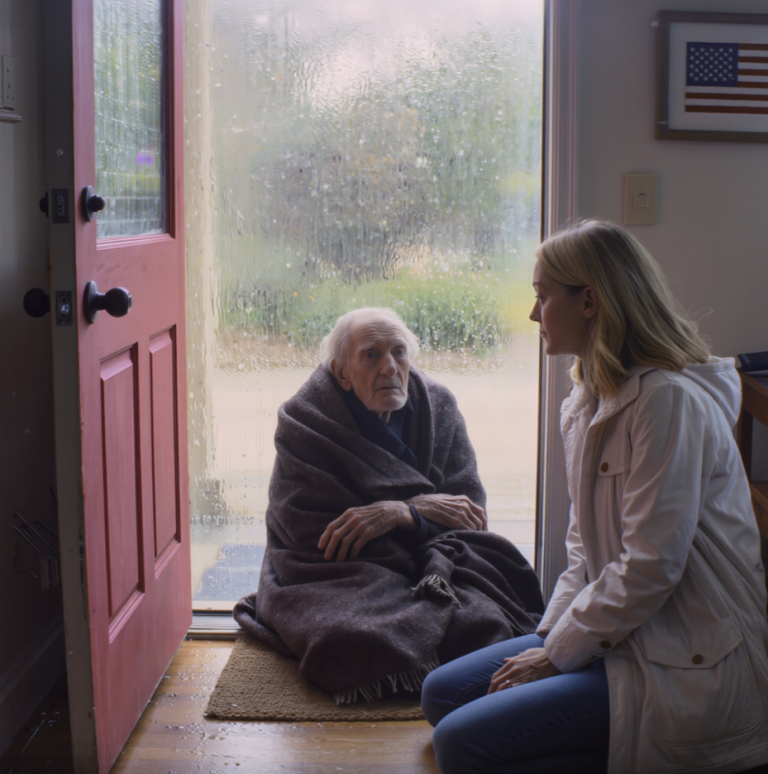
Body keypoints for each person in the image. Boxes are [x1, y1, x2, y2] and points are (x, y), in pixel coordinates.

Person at [421, 220, 768, 774]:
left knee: (461, 745)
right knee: (441, 694)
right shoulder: (587, 403)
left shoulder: (666, 403)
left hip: (684, 650)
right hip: (624, 631)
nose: (533, 315)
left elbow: (652, 567)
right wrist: (548, 639)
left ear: (590, 302)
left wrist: (558, 657)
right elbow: (584, 546)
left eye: (542, 296)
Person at [234, 307, 544, 704]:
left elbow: (468, 510)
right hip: (339, 568)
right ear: (341, 372)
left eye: (399, 353)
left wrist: (404, 512)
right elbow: (302, 523)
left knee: (486, 620)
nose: (389, 368)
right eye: (371, 355)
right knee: (344, 635)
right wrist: (419, 511)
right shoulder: (304, 419)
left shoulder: (439, 407)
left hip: (434, 553)